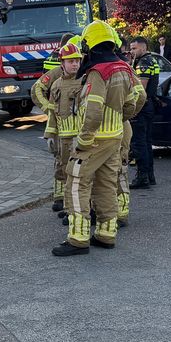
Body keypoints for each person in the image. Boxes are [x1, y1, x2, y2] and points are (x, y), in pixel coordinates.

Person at [53, 21, 144, 256]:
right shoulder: (123, 68)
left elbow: (93, 111)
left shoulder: (98, 72)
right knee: (106, 184)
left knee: (76, 182)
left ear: (89, 45)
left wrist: (84, 140)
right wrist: (121, 117)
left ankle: (78, 239)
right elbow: (138, 98)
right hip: (115, 136)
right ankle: (106, 234)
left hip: (95, 139)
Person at [34, 36, 84, 212]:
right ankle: (63, 201)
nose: (75, 64)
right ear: (62, 62)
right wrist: (49, 130)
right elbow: (39, 91)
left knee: (79, 173)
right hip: (63, 136)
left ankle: (75, 207)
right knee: (62, 168)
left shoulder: (86, 79)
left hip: (81, 136)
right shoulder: (56, 82)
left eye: (77, 60)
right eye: (71, 61)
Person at [128, 36, 163, 189]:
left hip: (142, 106)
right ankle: (149, 176)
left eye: (134, 48)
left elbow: (140, 90)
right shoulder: (152, 60)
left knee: (139, 143)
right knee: (147, 142)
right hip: (149, 105)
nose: (131, 51)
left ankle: (142, 178)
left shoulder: (143, 63)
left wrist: (133, 108)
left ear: (143, 47)